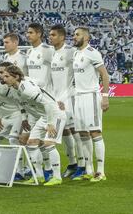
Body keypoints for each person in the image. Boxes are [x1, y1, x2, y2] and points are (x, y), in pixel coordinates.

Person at [3, 65, 66, 186]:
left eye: (7, 76)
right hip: (43, 116)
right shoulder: (15, 88)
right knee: (31, 143)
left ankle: (57, 177)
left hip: (55, 114)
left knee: (48, 144)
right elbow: (39, 85)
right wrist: (25, 118)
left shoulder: (27, 89)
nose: (3, 79)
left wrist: (50, 123)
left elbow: (48, 104)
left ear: (15, 77)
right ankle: (39, 176)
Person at [72, 27, 110, 182]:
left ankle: (100, 172)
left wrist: (105, 97)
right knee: (82, 134)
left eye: (77, 34)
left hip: (91, 96)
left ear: (86, 37)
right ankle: (89, 170)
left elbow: (104, 75)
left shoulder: (92, 52)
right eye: (74, 34)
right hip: (78, 97)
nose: (74, 37)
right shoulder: (76, 53)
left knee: (95, 132)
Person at [49, 24, 86, 179]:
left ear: (62, 37)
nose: (50, 37)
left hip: (69, 98)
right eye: (50, 35)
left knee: (75, 131)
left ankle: (82, 165)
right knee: (64, 132)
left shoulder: (71, 52)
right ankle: (72, 163)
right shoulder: (51, 53)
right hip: (55, 98)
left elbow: (81, 69)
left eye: (53, 35)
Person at [26, 22, 55, 179]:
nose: (28, 35)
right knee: (35, 138)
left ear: (39, 34)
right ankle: (41, 171)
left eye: (31, 32)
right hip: (32, 101)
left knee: (45, 138)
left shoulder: (47, 50)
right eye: (27, 32)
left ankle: (49, 169)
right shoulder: (30, 51)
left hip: (45, 99)